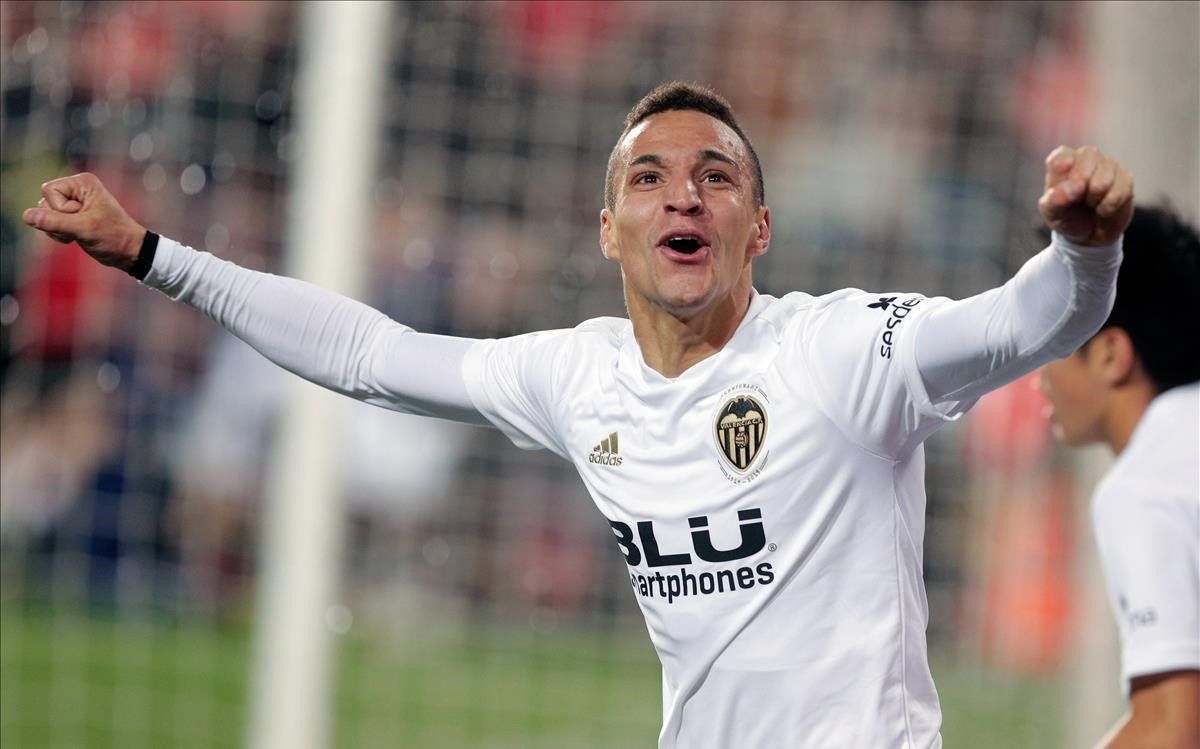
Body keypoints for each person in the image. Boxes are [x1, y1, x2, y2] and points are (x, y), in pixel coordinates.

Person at [24, 82, 1133, 748]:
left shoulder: (839, 352)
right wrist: (150, 254)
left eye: (715, 177)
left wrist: (1086, 245)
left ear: (758, 229)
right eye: (649, 179)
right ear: (610, 229)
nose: (683, 194)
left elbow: (1023, 321)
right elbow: (370, 353)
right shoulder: (579, 375)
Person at [1038, 205, 1199, 749]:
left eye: (1054, 345)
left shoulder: (1147, 485)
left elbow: (1173, 729)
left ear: (1109, 355)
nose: (1038, 378)